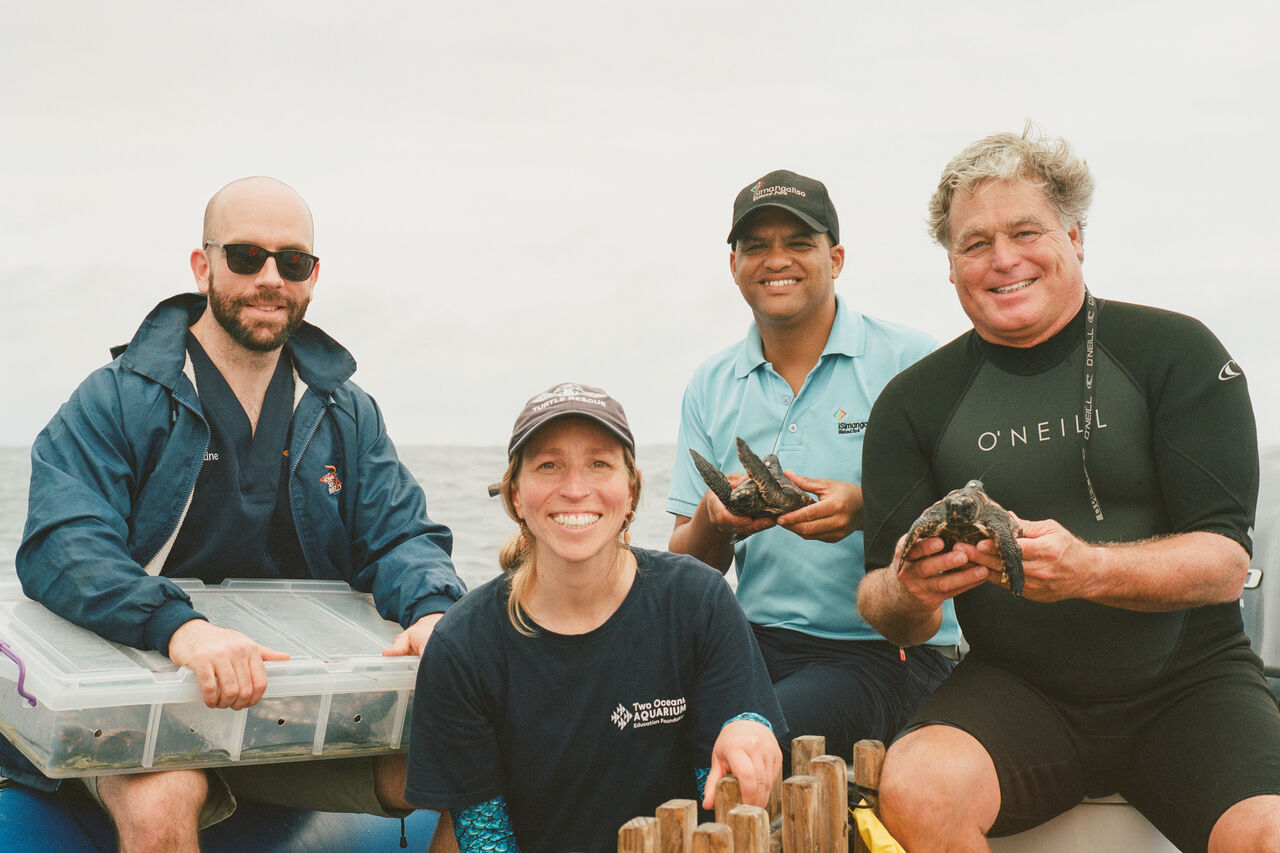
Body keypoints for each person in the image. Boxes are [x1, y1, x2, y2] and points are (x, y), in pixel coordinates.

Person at [11, 176, 465, 853]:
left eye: (293, 261)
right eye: (246, 256)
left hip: (296, 714)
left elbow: (400, 534)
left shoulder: (346, 410)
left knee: (477, 758)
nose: (270, 278)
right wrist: (181, 629)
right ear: (203, 265)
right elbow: (63, 545)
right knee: (164, 792)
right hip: (147, 710)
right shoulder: (115, 401)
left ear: (313, 275)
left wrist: (434, 612)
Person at [858, 127, 1280, 852]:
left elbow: (1220, 565)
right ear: (951, 264)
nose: (1003, 258)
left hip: (1191, 685)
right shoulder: (911, 402)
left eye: (1026, 230)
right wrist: (913, 589)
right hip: (1016, 690)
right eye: (975, 242)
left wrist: (1090, 568)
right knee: (916, 787)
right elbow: (885, 605)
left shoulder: (1175, 352)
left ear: (1076, 236)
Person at [406, 382, 784, 853]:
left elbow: (727, 776)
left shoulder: (697, 601)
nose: (574, 488)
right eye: (548, 465)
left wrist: (748, 727)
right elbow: (485, 836)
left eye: (599, 464)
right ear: (516, 497)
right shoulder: (464, 644)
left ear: (631, 492)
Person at [666, 169, 959, 765]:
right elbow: (687, 569)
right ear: (734, 264)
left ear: (837, 256)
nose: (777, 260)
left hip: (888, 649)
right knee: (638, 730)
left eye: (799, 242)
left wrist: (862, 510)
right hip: (750, 644)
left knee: (750, 744)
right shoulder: (710, 384)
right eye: (756, 245)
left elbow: (961, 522)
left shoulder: (912, 360)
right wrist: (714, 516)